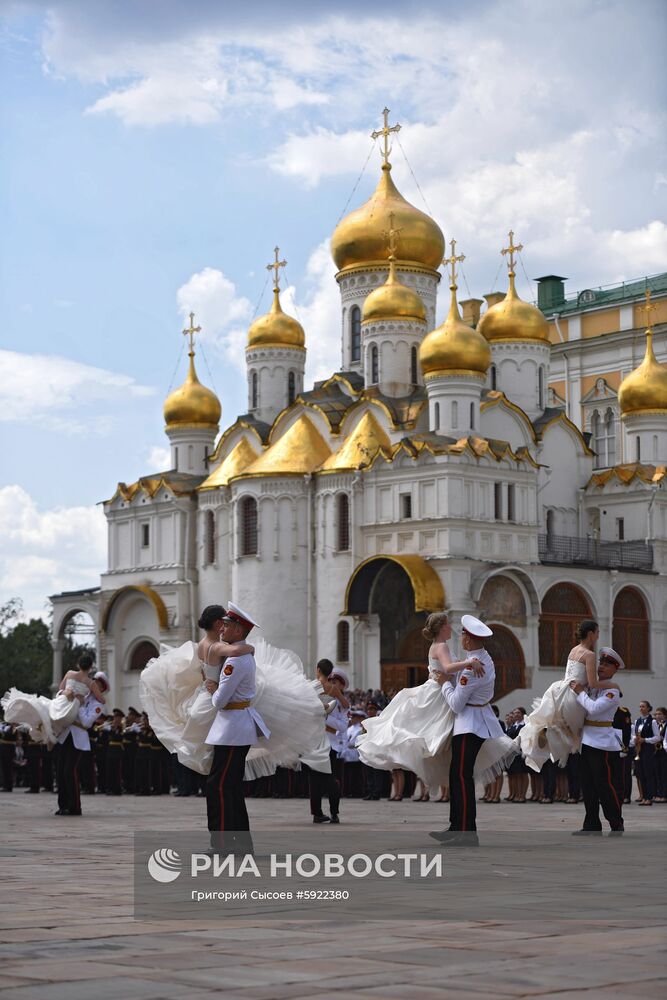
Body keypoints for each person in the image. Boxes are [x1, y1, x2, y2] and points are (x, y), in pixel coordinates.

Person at [140, 605, 323, 783]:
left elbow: (205, 671)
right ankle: (312, 708)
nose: (224, 627)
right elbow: (236, 650)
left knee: (267, 691)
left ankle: (312, 708)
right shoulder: (215, 646)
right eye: (224, 622)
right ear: (218, 623)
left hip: (206, 692)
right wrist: (250, 649)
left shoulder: (202, 644)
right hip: (215, 695)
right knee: (268, 694)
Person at [358, 613, 515, 795]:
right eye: (448, 624)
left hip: (443, 689)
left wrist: (461, 666)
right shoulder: (442, 646)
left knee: (435, 734)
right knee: (433, 732)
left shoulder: (439, 645)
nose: (451, 628)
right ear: (441, 627)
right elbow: (447, 668)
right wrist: (469, 662)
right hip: (439, 691)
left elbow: (448, 670)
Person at [430, 616, 511, 847]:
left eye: (464, 635)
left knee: (461, 777)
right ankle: (456, 826)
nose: (461, 638)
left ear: (469, 639)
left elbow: (456, 704)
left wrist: (444, 683)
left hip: (469, 726)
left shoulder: (471, 669)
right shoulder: (482, 658)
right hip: (474, 722)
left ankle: (467, 832)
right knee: (457, 777)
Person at [203, 603, 269, 854]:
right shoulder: (241, 656)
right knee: (230, 787)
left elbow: (220, 701)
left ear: (239, 631)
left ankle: (222, 844)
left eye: (227, 625)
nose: (222, 629)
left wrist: (213, 690)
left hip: (232, 729)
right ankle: (241, 844)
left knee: (219, 786)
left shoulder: (236, 661)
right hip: (234, 728)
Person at [517, 620, 616, 772]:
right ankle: (550, 735)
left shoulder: (573, 650)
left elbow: (570, 675)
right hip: (575, 695)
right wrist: (612, 685)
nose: (598, 636)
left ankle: (548, 732)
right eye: (597, 633)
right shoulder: (589, 654)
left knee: (560, 723)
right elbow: (593, 683)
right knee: (575, 733)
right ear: (590, 634)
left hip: (561, 689)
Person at [569, 646, 625, 835]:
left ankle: (616, 823)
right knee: (588, 786)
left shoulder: (612, 692)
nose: (602, 667)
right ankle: (592, 824)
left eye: (607, 665)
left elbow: (593, 709)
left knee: (604, 785)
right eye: (601, 663)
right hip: (586, 740)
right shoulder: (592, 687)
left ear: (615, 669)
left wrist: (580, 693)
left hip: (602, 743)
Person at [54, 672, 109, 816]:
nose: (93, 684)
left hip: (78, 736)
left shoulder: (98, 705)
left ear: (102, 688)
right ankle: (62, 805)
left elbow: (86, 722)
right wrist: (66, 694)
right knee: (60, 771)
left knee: (69, 771)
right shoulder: (82, 693)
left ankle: (74, 807)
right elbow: (60, 697)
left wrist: (79, 704)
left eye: (98, 684)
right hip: (66, 734)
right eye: (93, 681)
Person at [303, 659, 347, 824]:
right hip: (322, 740)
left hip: (320, 740)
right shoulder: (333, 690)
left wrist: (323, 715)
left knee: (321, 778)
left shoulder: (310, 688)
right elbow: (346, 705)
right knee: (323, 778)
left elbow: (343, 724)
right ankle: (326, 813)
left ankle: (324, 813)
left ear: (318, 670)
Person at [631, 700, 660, 805]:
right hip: (639, 749)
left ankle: (649, 797)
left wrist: (645, 740)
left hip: (648, 749)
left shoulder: (652, 722)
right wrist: (634, 739)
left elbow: (657, 737)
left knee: (648, 773)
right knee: (641, 773)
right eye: (640, 706)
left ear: (648, 708)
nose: (641, 708)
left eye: (643, 706)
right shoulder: (637, 721)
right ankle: (644, 796)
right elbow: (634, 734)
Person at [655, 707, 667, 803]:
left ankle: (664, 794)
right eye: (656, 714)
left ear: (665, 715)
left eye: (660, 714)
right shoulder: (656, 725)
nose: (657, 716)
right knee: (657, 773)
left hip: (664, 751)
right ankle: (658, 793)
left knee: (664, 773)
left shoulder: (666, 725)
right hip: (656, 751)